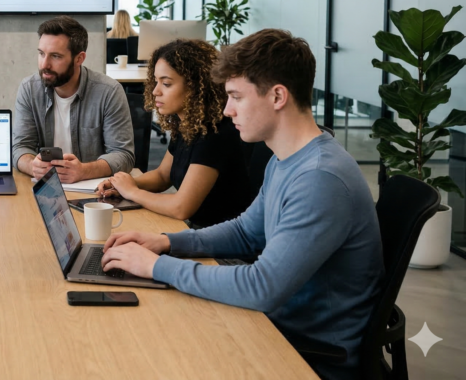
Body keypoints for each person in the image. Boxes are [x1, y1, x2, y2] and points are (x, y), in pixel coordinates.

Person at [99, 29, 382, 380]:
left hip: (298, 351)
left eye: (235, 97)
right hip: (270, 324)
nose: (227, 109)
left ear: (277, 96)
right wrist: (166, 242)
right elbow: (246, 232)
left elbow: (262, 288)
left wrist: (156, 266)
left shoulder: (320, 178)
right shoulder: (287, 158)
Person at [96, 39, 254, 228]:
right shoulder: (187, 124)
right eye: (156, 82)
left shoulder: (214, 133)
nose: (155, 91)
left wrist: (132, 192)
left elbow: (181, 208)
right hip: (199, 230)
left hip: (221, 238)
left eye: (166, 83)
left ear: (195, 86)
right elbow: (163, 176)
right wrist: (125, 185)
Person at [13, 16, 135, 184]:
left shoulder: (109, 92)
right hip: (47, 188)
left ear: (79, 58)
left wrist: (84, 171)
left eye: (55, 56)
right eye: (41, 54)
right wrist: (32, 166)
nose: (44, 65)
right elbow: (20, 147)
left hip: (94, 189)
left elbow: (123, 155)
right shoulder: (29, 89)